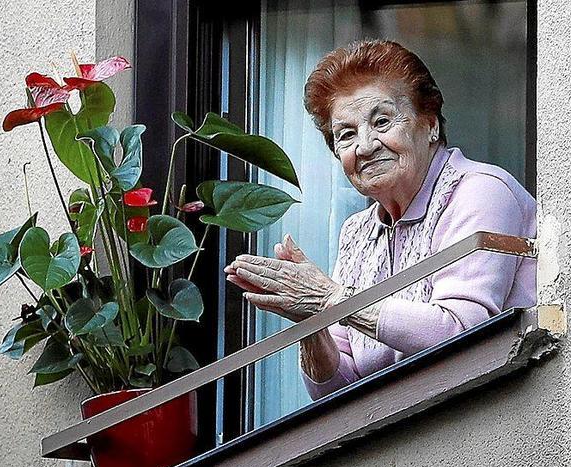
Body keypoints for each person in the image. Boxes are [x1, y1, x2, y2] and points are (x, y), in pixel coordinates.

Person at [224, 40, 536, 399]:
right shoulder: (358, 233)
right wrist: (311, 323)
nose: (366, 146)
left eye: (382, 121)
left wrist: (331, 300)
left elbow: (463, 333)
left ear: (429, 124)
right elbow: (338, 385)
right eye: (346, 135)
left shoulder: (479, 191)